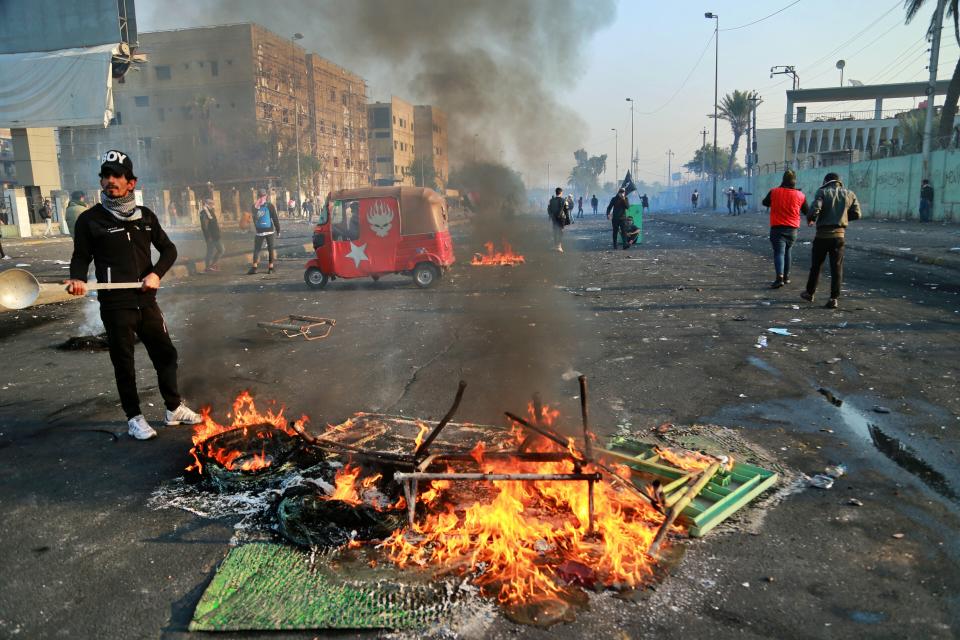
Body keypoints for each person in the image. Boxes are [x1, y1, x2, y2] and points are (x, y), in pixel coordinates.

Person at [65, 149, 202, 440]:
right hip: (116, 304)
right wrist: (76, 278)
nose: (111, 181)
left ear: (131, 182)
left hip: (146, 300)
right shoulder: (90, 220)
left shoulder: (146, 217)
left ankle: (173, 408)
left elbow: (169, 250)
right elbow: (80, 257)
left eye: (117, 176)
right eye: (106, 176)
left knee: (166, 353)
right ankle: (134, 417)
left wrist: (156, 274)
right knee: (124, 362)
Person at [801, 172, 862, 310]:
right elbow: (857, 213)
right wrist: (843, 219)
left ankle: (810, 293)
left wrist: (811, 218)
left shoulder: (822, 192)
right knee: (837, 268)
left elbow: (815, 209)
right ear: (839, 182)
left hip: (822, 236)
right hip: (839, 237)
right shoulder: (850, 193)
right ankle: (833, 298)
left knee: (816, 266)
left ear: (826, 181)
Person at [762, 170, 808, 289]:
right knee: (788, 252)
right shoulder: (800, 195)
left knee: (779, 253)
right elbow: (807, 211)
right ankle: (786, 277)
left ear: (783, 180)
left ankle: (779, 278)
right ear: (794, 180)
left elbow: (765, 203)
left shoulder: (774, 192)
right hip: (793, 229)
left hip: (777, 228)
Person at [248, 188, 281, 274]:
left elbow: (254, 220)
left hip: (259, 232)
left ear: (258, 196)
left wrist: (258, 229)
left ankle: (254, 267)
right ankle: (270, 268)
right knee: (270, 249)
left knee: (256, 249)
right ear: (266, 196)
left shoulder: (254, 207)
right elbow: (275, 219)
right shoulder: (270, 205)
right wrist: (278, 230)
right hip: (269, 230)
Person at [199, 197, 224, 272]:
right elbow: (205, 226)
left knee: (220, 250)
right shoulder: (204, 212)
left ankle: (211, 265)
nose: (213, 205)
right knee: (212, 251)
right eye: (212, 204)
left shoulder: (209, 211)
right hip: (211, 236)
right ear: (208, 204)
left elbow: (213, 223)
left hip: (215, 235)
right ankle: (208, 267)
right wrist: (208, 236)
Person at [547, 187, 571, 252]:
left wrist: (550, 216)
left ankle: (555, 246)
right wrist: (568, 220)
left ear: (556, 192)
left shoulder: (551, 200)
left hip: (554, 218)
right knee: (561, 231)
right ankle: (559, 246)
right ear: (561, 193)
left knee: (555, 231)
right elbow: (566, 211)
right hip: (561, 218)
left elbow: (549, 209)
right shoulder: (564, 201)